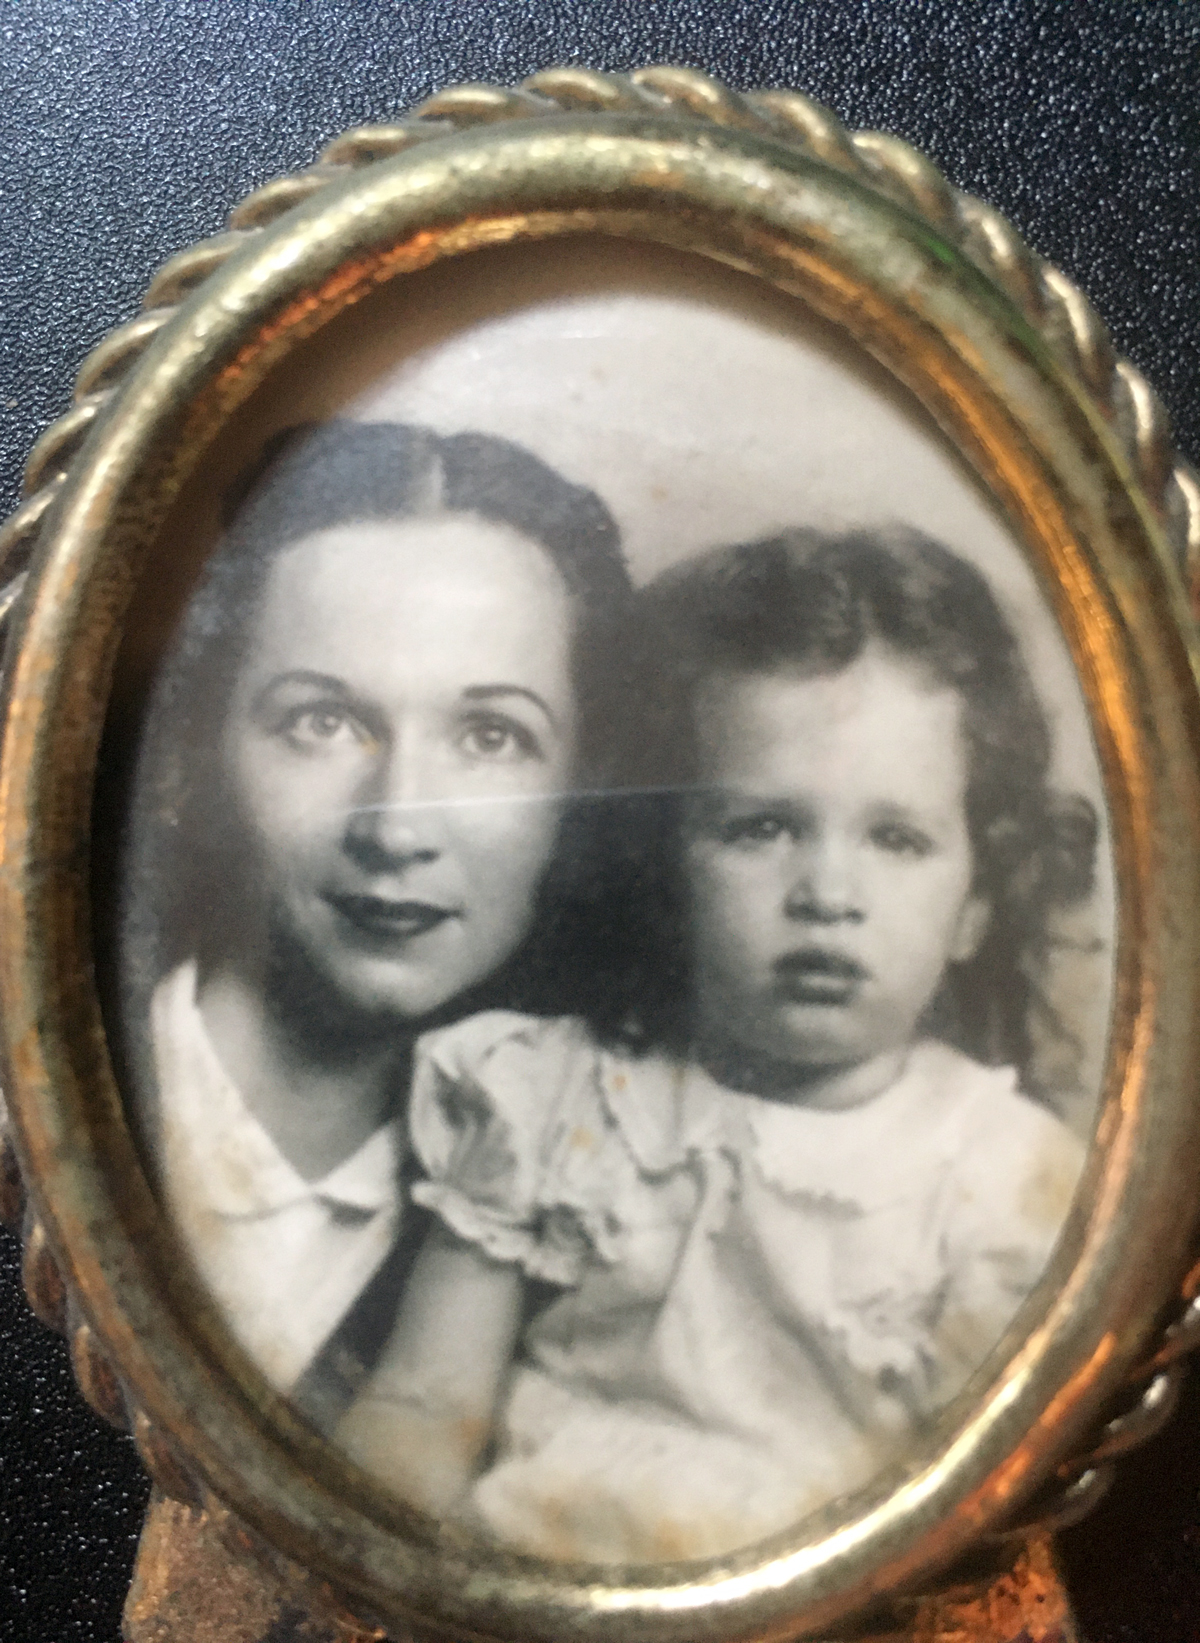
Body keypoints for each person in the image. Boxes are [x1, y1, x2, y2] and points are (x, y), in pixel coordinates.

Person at [335, 526, 1097, 1563]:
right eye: (761, 828)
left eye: (896, 838)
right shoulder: (554, 1096)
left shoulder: (1002, 1181)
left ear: (976, 903)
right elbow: (425, 1401)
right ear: (667, 869)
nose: (828, 895)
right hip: (530, 1585)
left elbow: (977, 1514)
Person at [120, 421, 631, 1416]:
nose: (397, 824)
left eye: (491, 735)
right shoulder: (83, 1100)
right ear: (190, 753)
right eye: (321, 720)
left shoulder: (565, 1211)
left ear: (578, 792)